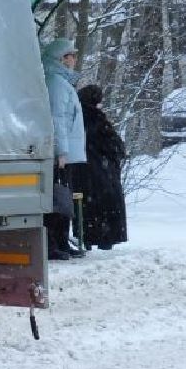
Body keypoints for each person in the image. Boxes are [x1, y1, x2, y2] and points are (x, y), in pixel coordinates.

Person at [41, 37, 86, 260]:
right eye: (70, 55)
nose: (74, 59)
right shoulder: (56, 83)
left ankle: (61, 242)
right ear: (60, 58)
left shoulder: (60, 82)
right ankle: (53, 244)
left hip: (66, 152)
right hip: (61, 154)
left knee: (63, 199)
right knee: (57, 199)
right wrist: (61, 151)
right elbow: (57, 119)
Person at [74, 84, 128, 250]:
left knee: (85, 207)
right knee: (106, 205)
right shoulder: (97, 119)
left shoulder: (76, 118)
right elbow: (114, 145)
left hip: (82, 170)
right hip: (101, 172)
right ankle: (105, 238)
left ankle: (86, 237)